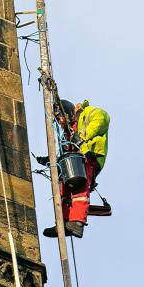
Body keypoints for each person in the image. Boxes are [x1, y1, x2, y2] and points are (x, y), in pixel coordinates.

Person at [41, 99, 110, 239]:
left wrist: (82, 136)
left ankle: (77, 222)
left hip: (90, 155)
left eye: (60, 117)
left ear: (67, 113)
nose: (60, 122)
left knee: (79, 185)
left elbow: (102, 119)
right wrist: (49, 160)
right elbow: (67, 149)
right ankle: (65, 221)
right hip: (76, 158)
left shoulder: (88, 113)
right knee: (64, 187)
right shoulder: (69, 131)